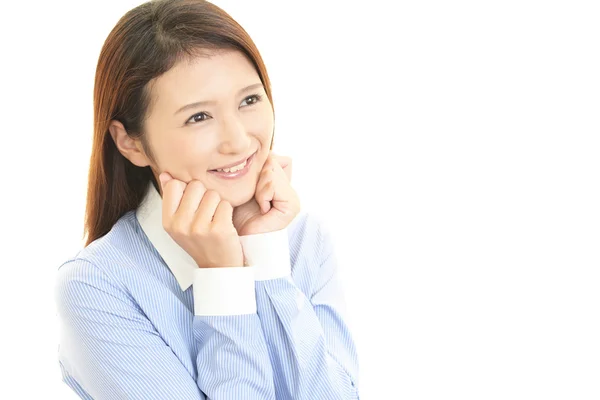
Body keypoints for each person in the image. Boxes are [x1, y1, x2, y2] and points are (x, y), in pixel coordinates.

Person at [54, 0, 360, 399]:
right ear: (130, 142)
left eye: (249, 100)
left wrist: (262, 254)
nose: (238, 140)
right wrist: (222, 278)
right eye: (199, 117)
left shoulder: (300, 237)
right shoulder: (96, 288)